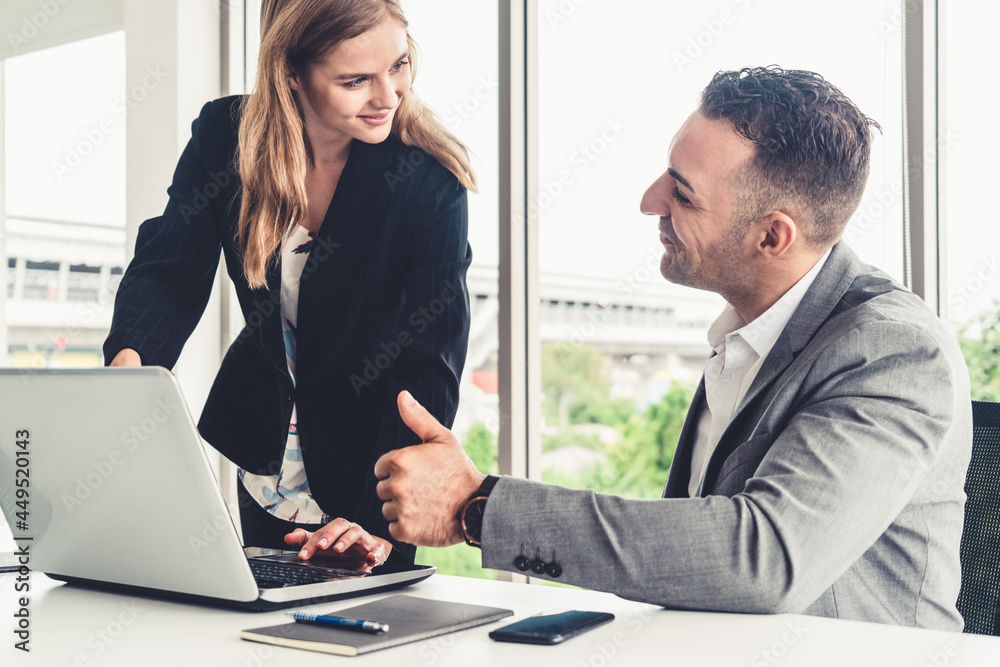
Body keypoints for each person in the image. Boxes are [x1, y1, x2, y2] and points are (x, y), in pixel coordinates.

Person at [373, 67, 973, 631]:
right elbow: (695, 554)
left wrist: (478, 507)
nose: (649, 201)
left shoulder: (893, 352)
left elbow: (761, 559)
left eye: (683, 195)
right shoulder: (749, 334)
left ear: (772, 235)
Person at [103, 0, 474, 566]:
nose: (388, 97)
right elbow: (169, 265)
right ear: (290, 74)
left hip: (373, 467)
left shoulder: (426, 180)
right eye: (355, 80)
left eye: (398, 65)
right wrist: (130, 367)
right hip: (266, 452)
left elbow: (429, 356)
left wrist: (375, 520)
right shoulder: (224, 138)